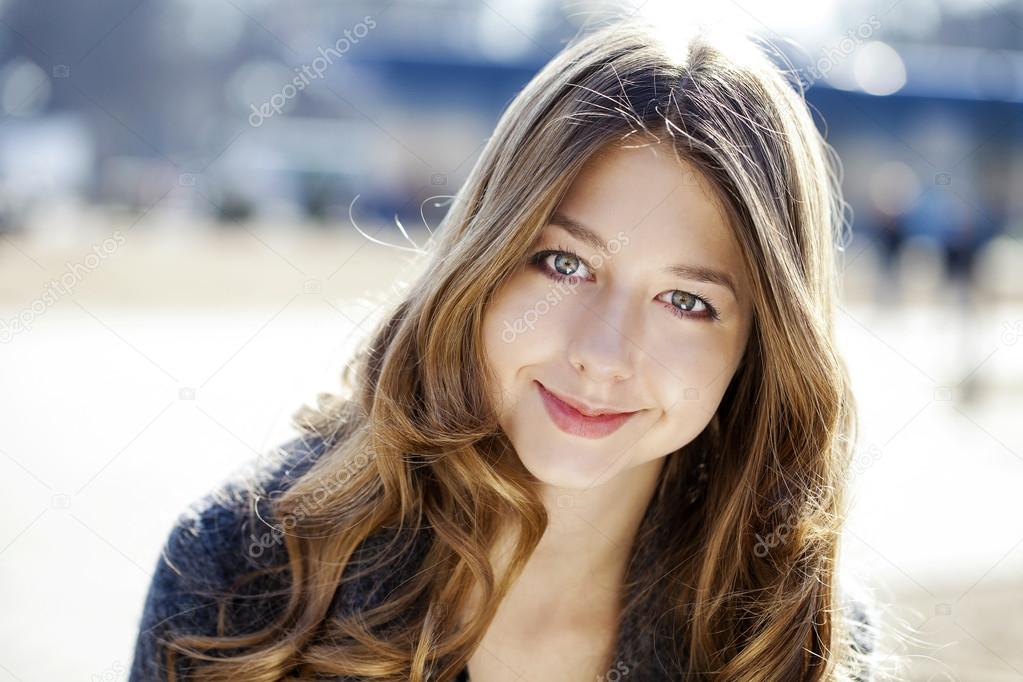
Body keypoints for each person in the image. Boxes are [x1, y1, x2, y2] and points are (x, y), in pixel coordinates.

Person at [129, 17, 880, 682]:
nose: (602, 355)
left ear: (757, 347)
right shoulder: (244, 567)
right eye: (564, 264)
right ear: (483, 260)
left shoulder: (794, 637)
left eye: (686, 301)